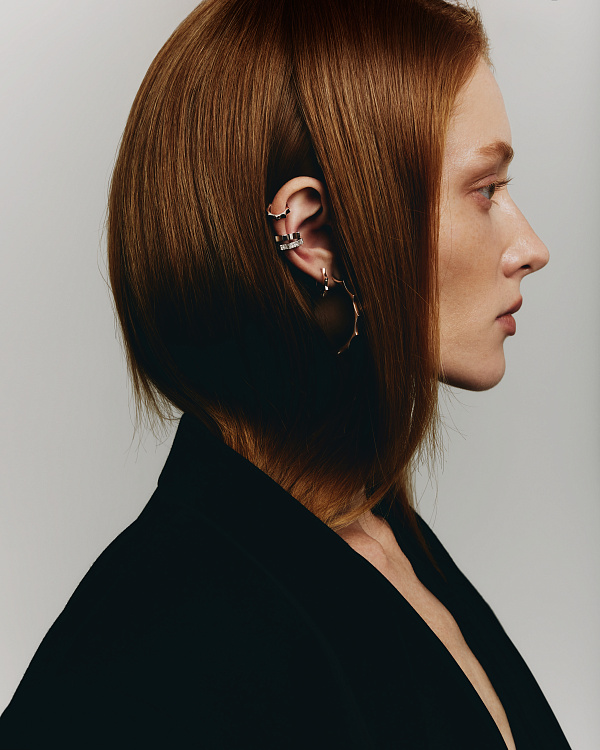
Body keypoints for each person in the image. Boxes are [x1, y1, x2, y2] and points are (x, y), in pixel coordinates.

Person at [0, 0, 572, 748]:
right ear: (311, 235)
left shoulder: (378, 534)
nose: (531, 247)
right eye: (485, 189)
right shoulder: (162, 651)